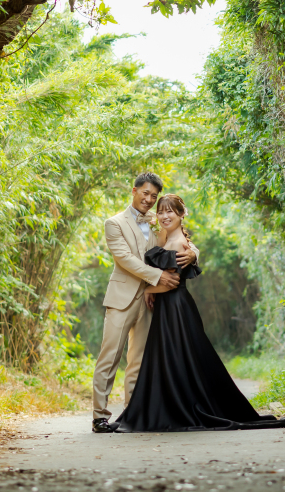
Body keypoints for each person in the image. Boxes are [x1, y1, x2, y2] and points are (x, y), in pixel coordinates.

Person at [114, 194, 285, 432]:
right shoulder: (170, 238)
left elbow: (171, 281)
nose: (164, 216)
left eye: (170, 212)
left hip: (175, 305)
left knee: (180, 357)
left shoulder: (178, 244)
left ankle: (179, 406)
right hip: (170, 306)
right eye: (161, 211)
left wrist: (147, 289)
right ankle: (171, 403)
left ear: (182, 214)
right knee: (176, 358)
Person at [91, 173, 199, 433]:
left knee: (139, 359)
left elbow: (180, 236)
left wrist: (194, 253)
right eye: (145, 193)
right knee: (110, 356)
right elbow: (124, 258)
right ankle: (99, 417)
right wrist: (158, 275)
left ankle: (133, 412)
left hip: (153, 298)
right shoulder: (114, 223)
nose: (150, 200)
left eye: (154, 196)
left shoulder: (157, 220)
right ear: (134, 190)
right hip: (123, 297)